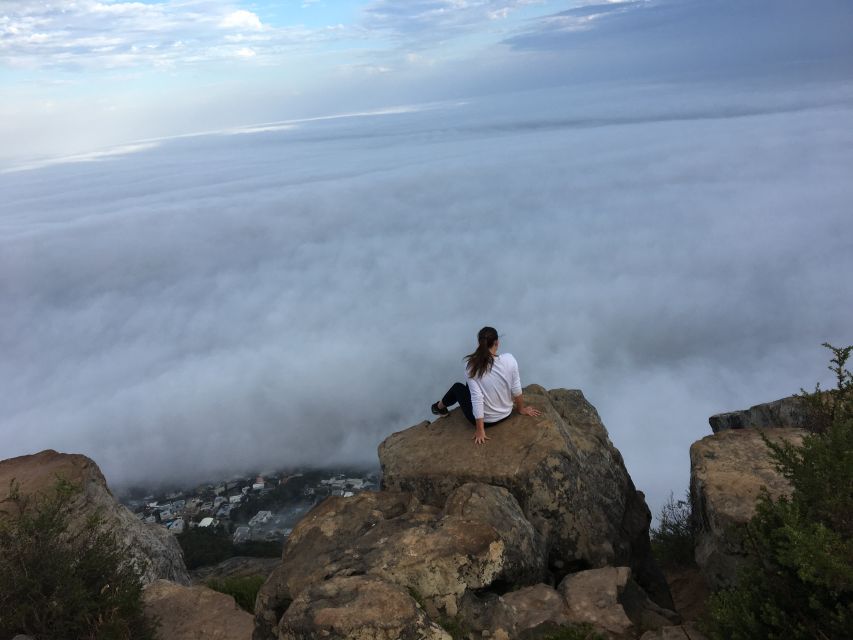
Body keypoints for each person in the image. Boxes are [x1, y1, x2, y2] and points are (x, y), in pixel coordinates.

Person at [431, 326, 542, 445]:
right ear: (497, 342)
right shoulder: (510, 359)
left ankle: (439, 408)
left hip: (488, 422)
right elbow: (516, 387)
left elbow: (477, 398)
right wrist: (521, 409)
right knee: (470, 385)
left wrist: (480, 430)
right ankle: (440, 407)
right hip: (506, 413)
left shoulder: (471, 366)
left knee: (458, 387)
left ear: (479, 343)